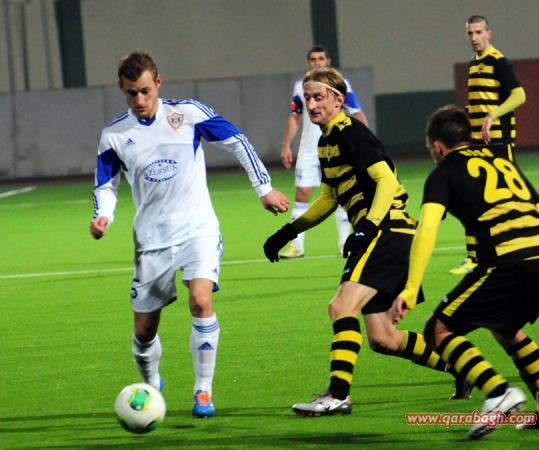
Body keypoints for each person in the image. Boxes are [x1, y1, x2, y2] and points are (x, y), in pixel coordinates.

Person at [89, 52, 289, 418]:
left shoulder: (188, 114)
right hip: (151, 240)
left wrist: (264, 188)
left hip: (198, 228)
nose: (140, 100)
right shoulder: (114, 135)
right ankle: (151, 383)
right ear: (121, 88)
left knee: (200, 300)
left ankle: (203, 390)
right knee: (144, 331)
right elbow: (105, 185)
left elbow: (237, 141)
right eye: (132, 93)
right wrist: (103, 215)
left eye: (145, 91)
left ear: (158, 83)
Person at [264, 68, 462, 417]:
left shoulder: (352, 133)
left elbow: (387, 181)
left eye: (319, 97)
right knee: (384, 338)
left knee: (341, 306)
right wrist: (289, 232)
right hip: (389, 235)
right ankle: (463, 368)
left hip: (386, 232)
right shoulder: (327, 141)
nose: (312, 104)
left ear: (339, 100)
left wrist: (367, 227)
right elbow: (330, 197)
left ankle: (338, 395)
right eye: (307, 98)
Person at [392, 105, 539, 439]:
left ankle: (498, 393)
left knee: (438, 330)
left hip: (509, 260)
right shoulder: (500, 159)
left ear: (437, 146)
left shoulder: (443, 172)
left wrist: (411, 287)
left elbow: (427, 229)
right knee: (505, 326)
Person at [450, 15, 526, 275]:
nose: (474, 38)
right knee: (473, 197)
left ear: (489, 33)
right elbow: (485, 99)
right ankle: (475, 257)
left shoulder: (498, 61)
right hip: (478, 142)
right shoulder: (475, 63)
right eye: (470, 33)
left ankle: (515, 250)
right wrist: (471, 112)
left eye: (478, 32)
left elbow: (519, 95)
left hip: (499, 142)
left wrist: (493, 115)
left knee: (504, 199)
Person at [279, 45, 368, 258]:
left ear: (328, 61)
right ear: (308, 62)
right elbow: (295, 116)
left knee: (342, 191)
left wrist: (366, 141)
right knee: (302, 194)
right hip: (309, 149)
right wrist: (286, 145)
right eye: (313, 59)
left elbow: (356, 112)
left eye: (321, 58)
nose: (317, 62)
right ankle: (296, 245)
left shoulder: (341, 84)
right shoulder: (301, 86)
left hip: (337, 146)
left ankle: (344, 243)